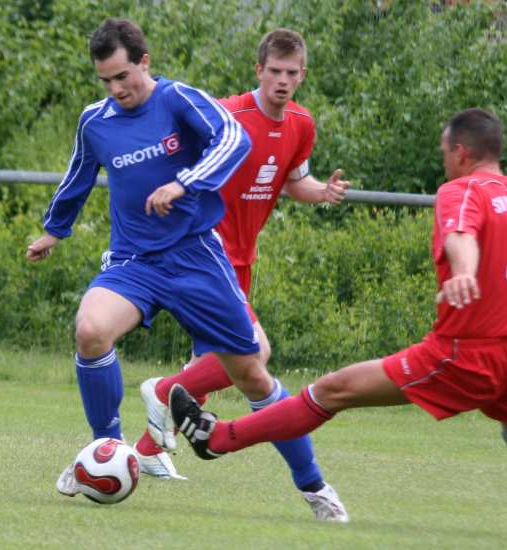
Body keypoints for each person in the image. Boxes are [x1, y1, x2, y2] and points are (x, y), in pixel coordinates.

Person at [169, 108, 507, 544]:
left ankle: (217, 439)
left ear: (461, 152)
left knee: (332, 390)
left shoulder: (461, 191)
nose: (444, 161)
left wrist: (464, 271)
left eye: (444, 152)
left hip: (466, 351)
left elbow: (461, 233)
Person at [25, 18, 346, 520]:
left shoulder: (179, 100)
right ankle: (106, 450)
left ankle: (314, 486)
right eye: (106, 80)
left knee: (252, 375)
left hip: (196, 256)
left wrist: (184, 183)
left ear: (144, 62)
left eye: (123, 76)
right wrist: (54, 230)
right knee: (90, 330)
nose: (116, 89)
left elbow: (233, 139)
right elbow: (79, 174)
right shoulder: (95, 121)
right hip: (134, 261)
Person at [131, 28, 350, 520]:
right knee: (254, 355)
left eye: (291, 73)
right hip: (205, 253)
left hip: (242, 260)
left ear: (302, 75)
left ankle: (147, 450)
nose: (282, 80)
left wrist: (323, 193)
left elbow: (294, 182)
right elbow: (178, 160)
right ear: (258, 71)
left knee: (214, 368)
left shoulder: (301, 124)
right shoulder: (227, 115)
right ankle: (162, 391)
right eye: (274, 71)